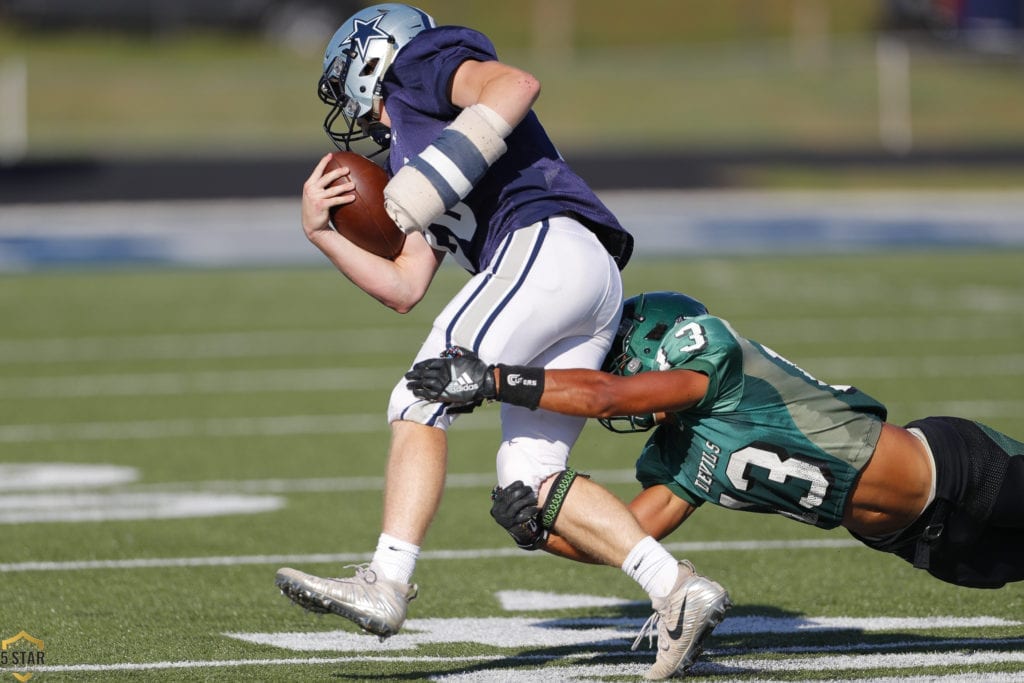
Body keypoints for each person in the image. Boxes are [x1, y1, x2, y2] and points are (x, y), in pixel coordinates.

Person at [273, 6, 730, 679]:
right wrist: (325, 235)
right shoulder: (421, 153)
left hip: (546, 247)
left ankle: (388, 578)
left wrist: (429, 179)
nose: (358, 115)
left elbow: (514, 86)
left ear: (373, 60)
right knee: (532, 477)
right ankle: (676, 588)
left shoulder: (419, 64)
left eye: (350, 89)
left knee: (419, 393)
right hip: (571, 276)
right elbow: (405, 286)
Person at [406, 290, 1024, 590]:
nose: (622, 376)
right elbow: (629, 536)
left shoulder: (709, 360)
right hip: (916, 539)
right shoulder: (675, 451)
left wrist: (492, 380)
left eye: (624, 361)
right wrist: (544, 535)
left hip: (959, 469)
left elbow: (606, 395)